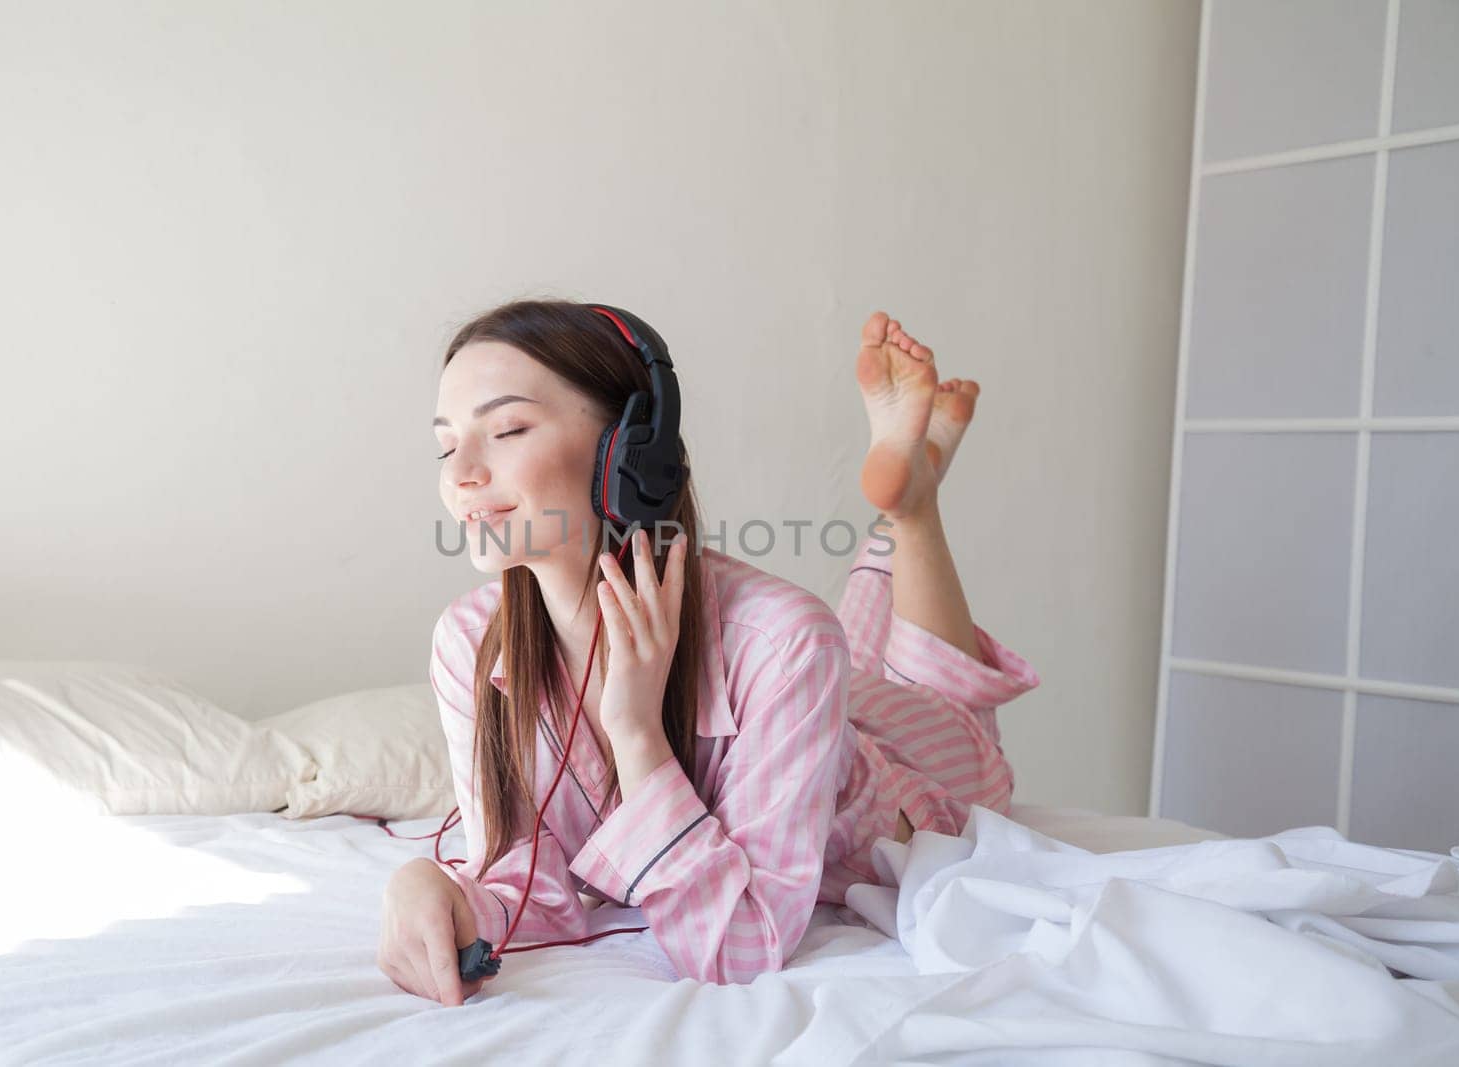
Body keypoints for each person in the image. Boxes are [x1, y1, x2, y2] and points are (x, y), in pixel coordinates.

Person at [377, 300, 1039, 1005]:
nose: (462, 475)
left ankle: (913, 507)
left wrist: (636, 735)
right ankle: (906, 499)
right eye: (446, 446)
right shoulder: (469, 643)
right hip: (811, 696)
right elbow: (530, 888)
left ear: (629, 451)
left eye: (505, 429)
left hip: (890, 768)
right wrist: (429, 884)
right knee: (858, 658)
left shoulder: (784, 642)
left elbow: (739, 947)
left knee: (957, 722)